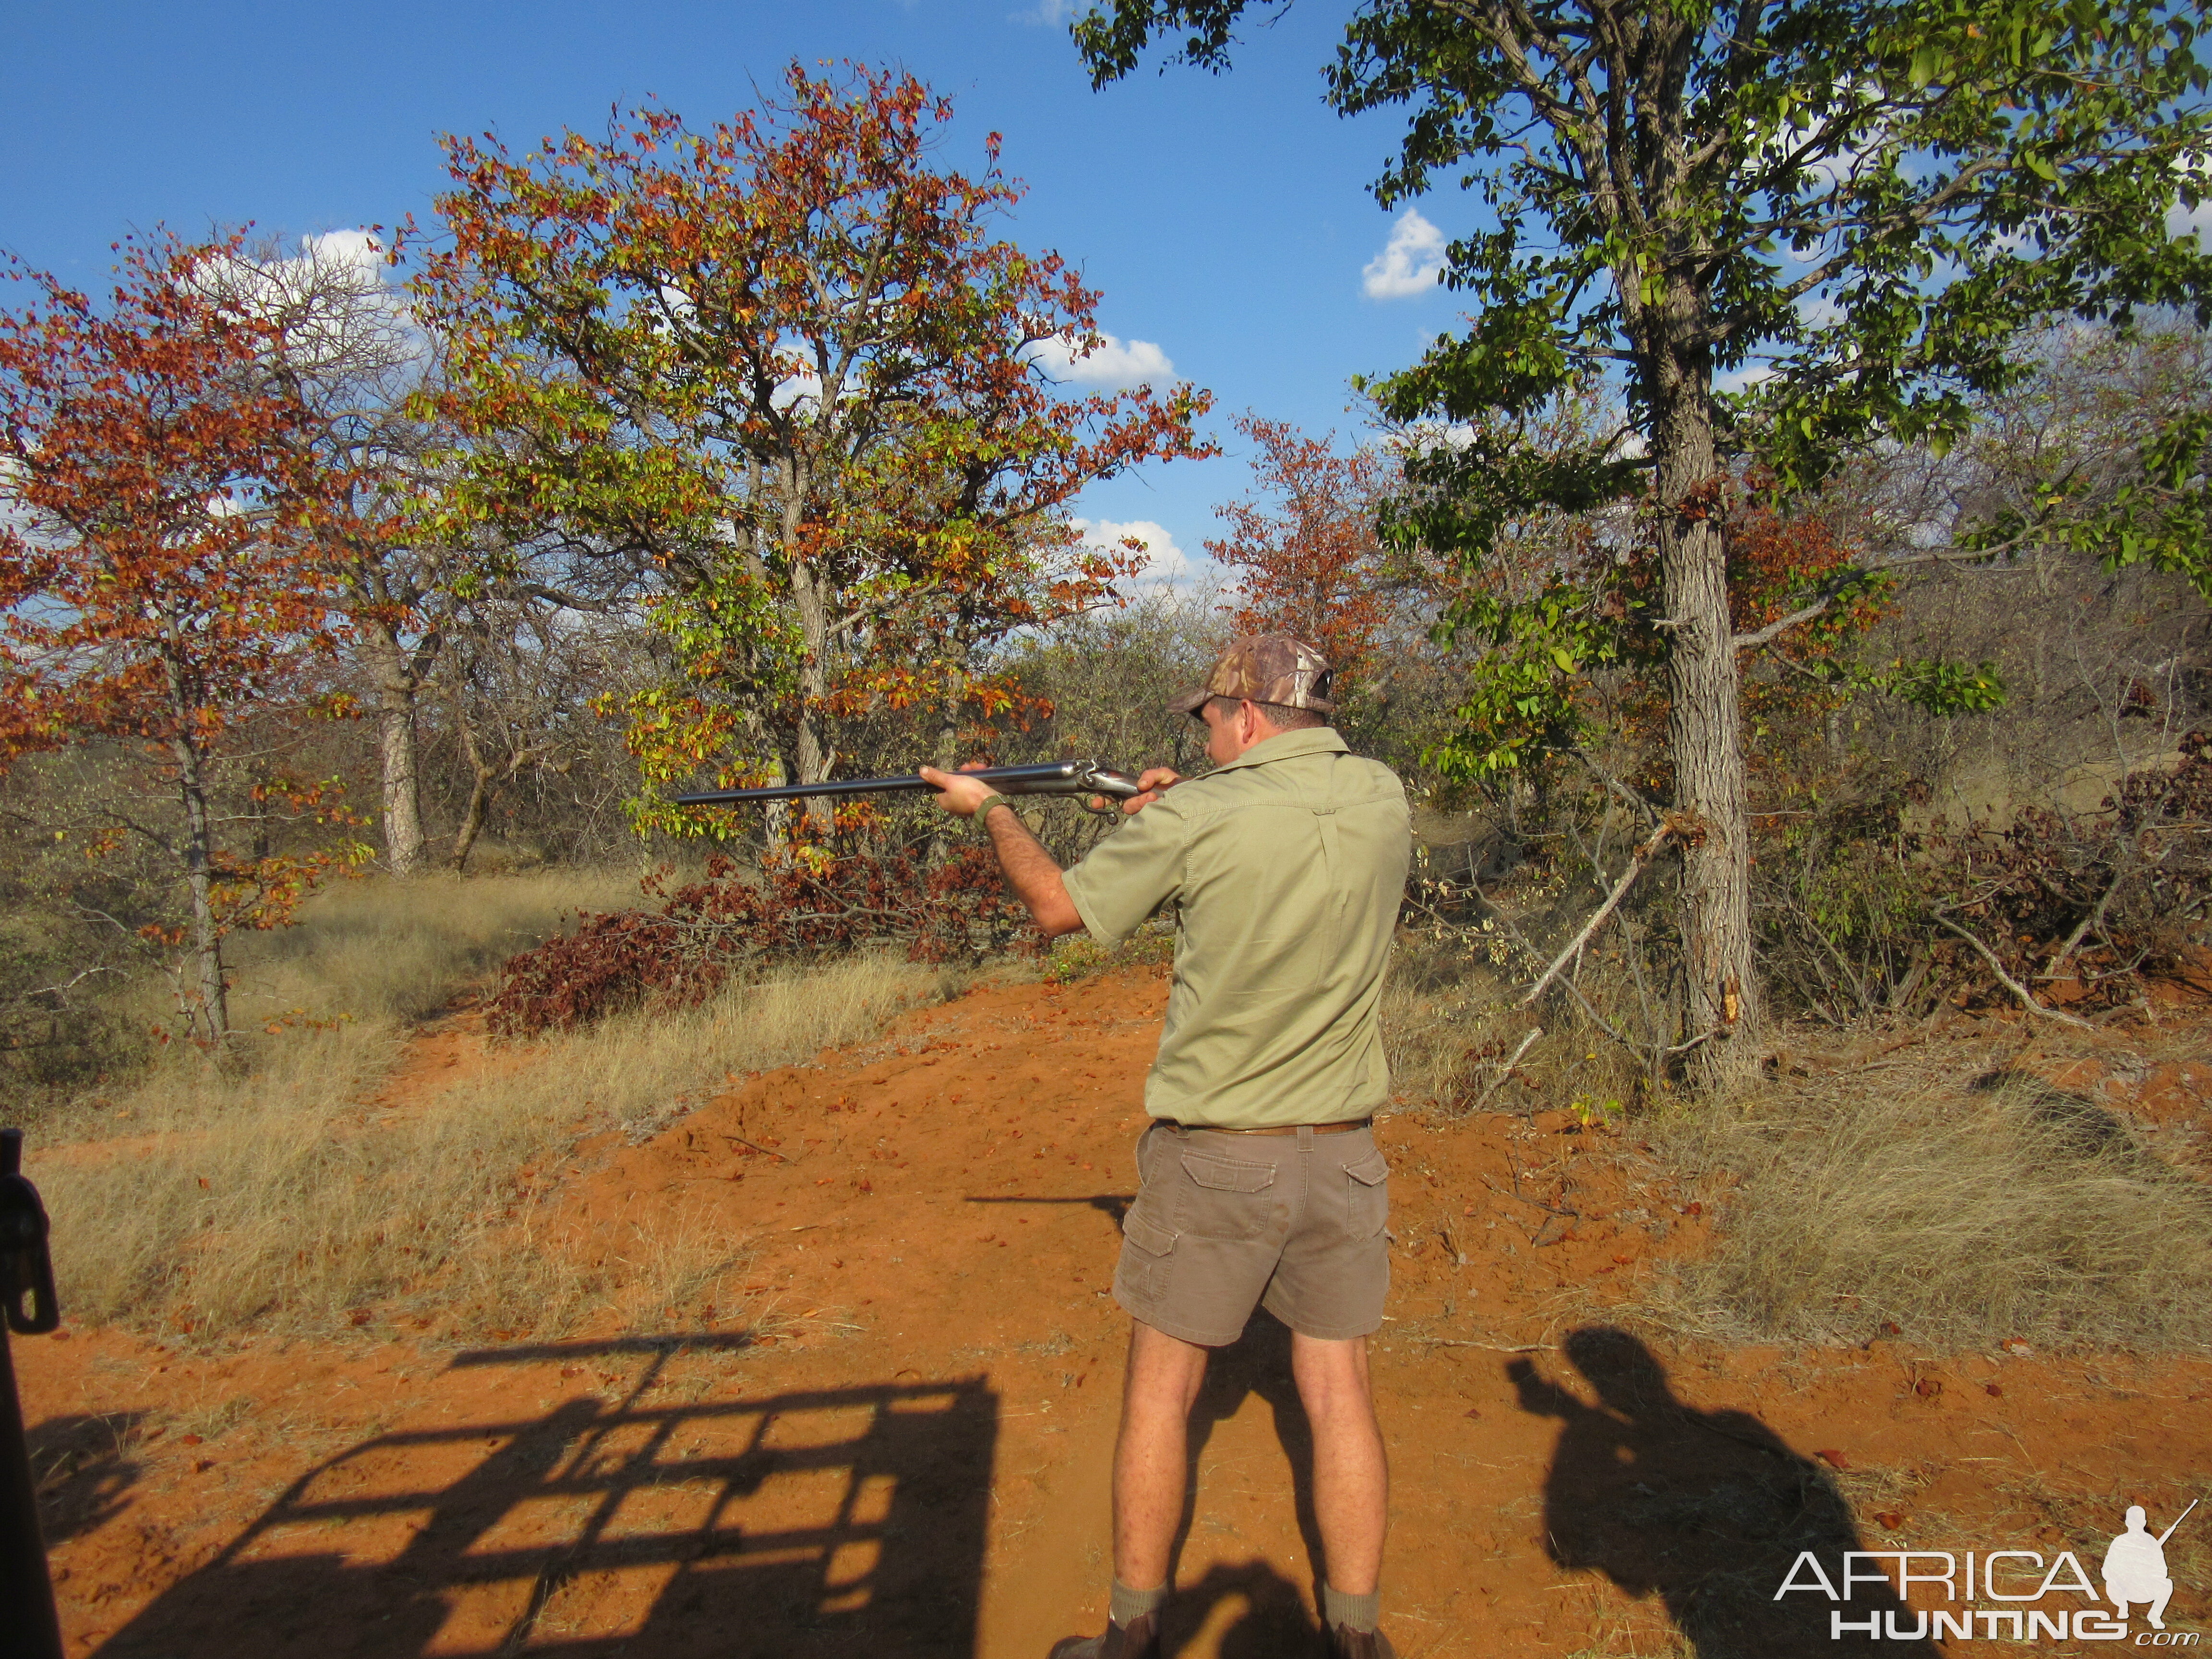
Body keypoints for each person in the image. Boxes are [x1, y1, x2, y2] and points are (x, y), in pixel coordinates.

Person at [921, 633, 1413, 1659]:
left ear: (1250, 717)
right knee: (1339, 1395)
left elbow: (1058, 910)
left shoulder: (1201, 814)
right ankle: (1360, 1640)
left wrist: (993, 810)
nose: (1206, 733)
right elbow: (1262, 848)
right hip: (1346, 1154)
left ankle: (1132, 1636)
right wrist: (1167, 812)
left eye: (1212, 719)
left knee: (1161, 1393)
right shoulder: (1382, 797)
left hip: (1220, 1155)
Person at [2104, 1505, 2176, 1630]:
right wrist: (2125, 1571)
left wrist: (2146, 1570)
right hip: (2124, 1589)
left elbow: (2162, 1571)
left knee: (2167, 1584)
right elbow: (2107, 1569)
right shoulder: (2120, 1542)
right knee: (2111, 1582)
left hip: (2145, 1590)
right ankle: (2122, 1606)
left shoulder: (2151, 1542)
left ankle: (2155, 1615)